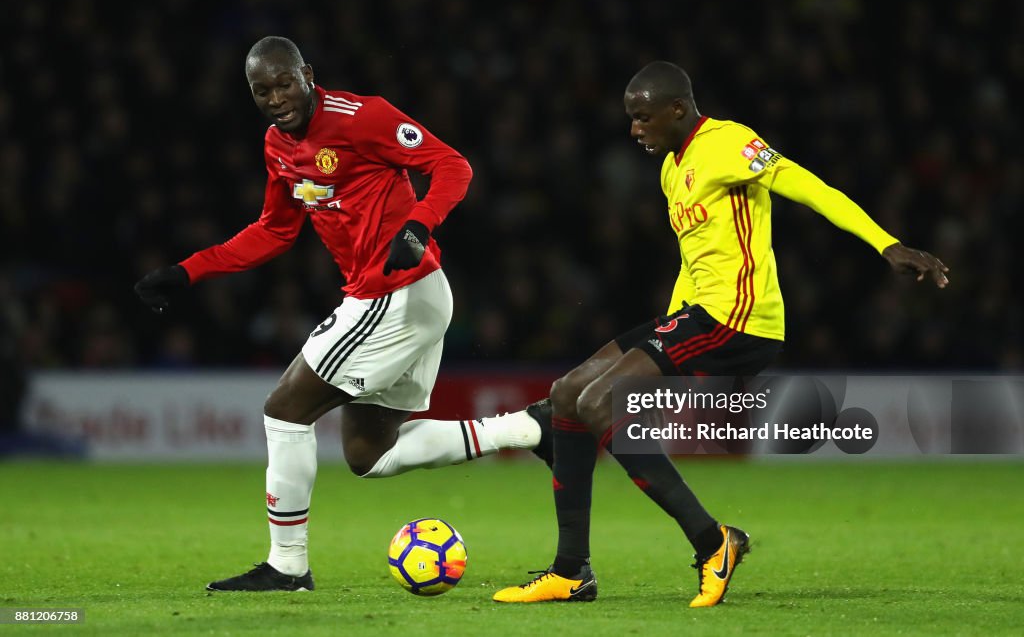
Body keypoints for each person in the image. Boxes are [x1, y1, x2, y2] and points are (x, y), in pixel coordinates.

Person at [491, 61, 949, 607]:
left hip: (740, 316)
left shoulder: (729, 142)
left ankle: (714, 543)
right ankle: (571, 572)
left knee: (599, 403)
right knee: (569, 393)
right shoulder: (669, 169)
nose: (634, 130)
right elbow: (693, 259)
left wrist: (885, 243)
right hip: (699, 312)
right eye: (631, 119)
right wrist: (658, 351)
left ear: (677, 110)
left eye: (642, 119)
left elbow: (810, 186)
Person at [134, 36, 552, 592]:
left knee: (284, 411)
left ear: (308, 74)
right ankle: (529, 427)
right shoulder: (277, 146)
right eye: (262, 91)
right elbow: (275, 230)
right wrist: (189, 271)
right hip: (406, 298)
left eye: (285, 83)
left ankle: (287, 566)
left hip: (395, 293)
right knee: (369, 454)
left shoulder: (363, 117)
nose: (277, 98)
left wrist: (418, 224)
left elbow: (453, 166)